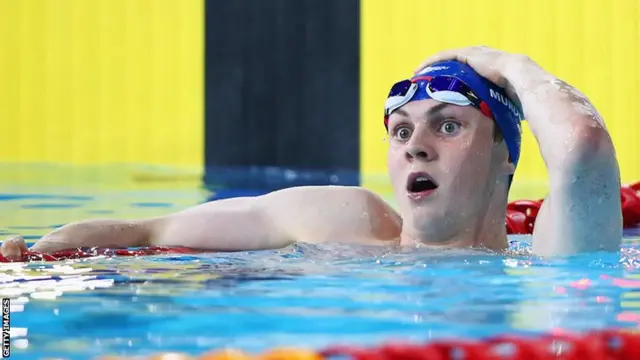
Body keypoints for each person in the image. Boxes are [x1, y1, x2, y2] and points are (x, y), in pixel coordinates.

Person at [0, 46, 622, 260]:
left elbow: (583, 145)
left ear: (506, 156)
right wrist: (43, 255)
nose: (416, 150)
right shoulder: (344, 223)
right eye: (401, 132)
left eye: (448, 128)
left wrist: (508, 65)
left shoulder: (551, 254)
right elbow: (150, 229)